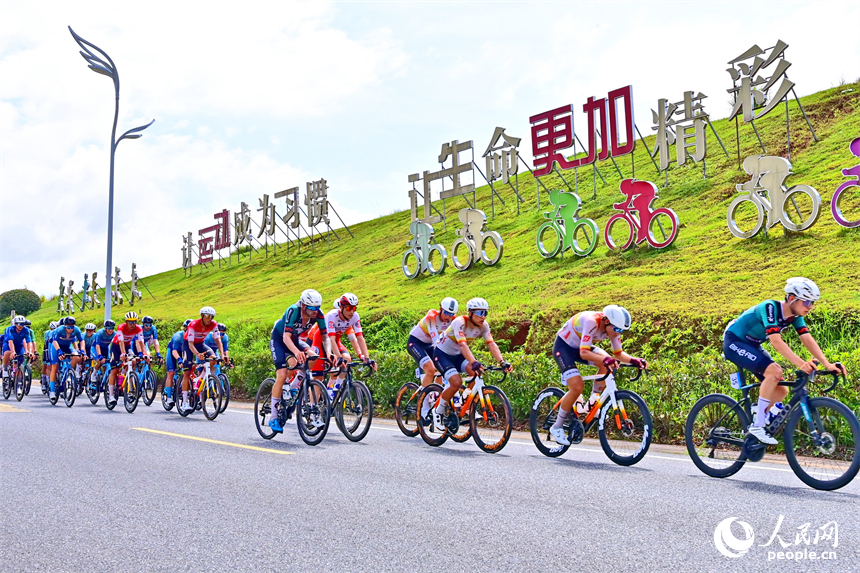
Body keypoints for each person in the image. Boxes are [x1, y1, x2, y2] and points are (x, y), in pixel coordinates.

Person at [723, 277, 847, 445]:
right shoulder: (770, 307)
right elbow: (776, 341)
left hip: (753, 344)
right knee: (774, 372)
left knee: (781, 391)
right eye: (807, 302)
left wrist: (827, 364)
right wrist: (801, 364)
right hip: (735, 342)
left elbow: (807, 338)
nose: (810, 307)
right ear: (791, 299)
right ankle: (758, 425)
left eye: (813, 303)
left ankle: (756, 415)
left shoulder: (795, 316)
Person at [548, 305, 648, 446]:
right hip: (564, 348)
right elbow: (584, 353)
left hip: (582, 347)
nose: (618, 333)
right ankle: (557, 426)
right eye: (617, 329)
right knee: (577, 387)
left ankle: (593, 401)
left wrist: (634, 360)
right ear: (606, 321)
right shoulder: (591, 321)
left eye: (622, 331)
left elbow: (618, 353)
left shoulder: (613, 329)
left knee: (607, 362)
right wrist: (606, 359)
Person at [430, 298, 513, 431]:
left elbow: (491, 344)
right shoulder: (459, 322)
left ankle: (465, 404)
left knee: (476, 372)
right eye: (480, 313)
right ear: (470, 313)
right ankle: (438, 411)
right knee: (456, 382)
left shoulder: (484, 326)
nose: (483, 316)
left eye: (485, 313)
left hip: (457, 355)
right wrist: (473, 361)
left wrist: (502, 362)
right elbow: (462, 344)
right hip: (442, 354)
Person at [268, 289, 334, 433]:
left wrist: (329, 353)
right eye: (312, 308)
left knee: (313, 356)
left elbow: (325, 337)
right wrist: (297, 353)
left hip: (295, 340)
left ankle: (294, 386)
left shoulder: (318, 314)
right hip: (279, 340)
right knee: (282, 374)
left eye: (318, 307)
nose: (315, 311)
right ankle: (273, 417)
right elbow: (286, 337)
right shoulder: (294, 310)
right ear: (304, 305)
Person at [311, 293, 377, 398]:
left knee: (347, 359)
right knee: (318, 377)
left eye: (354, 308)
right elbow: (331, 339)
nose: (352, 311)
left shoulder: (354, 316)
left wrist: (366, 358)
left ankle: (334, 390)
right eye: (349, 308)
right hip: (321, 341)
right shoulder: (332, 316)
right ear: (341, 307)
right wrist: (339, 357)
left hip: (336, 342)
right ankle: (312, 406)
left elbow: (359, 338)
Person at [179, 307, 224, 414]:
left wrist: (223, 355)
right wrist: (197, 355)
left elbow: (218, 340)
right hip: (188, 345)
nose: (210, 319)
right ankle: (185, 403)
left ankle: (200, 378)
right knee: (187, 373)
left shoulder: (214, 324)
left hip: (200, 344)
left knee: (214, 358)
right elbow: (190, 344)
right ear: (202, 316)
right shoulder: (193, 324)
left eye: (212, 317)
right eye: (208, 316)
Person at [407, 297, 459, 389]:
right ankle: (423, 399)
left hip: (429, 345)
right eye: (446, 312)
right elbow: (434, 335)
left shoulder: (454, 320)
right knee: (431, 369)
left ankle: (435, 394)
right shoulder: (432, 316)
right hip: (415, 342)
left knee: (442, 368)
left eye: (451, 314)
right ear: (440, 309)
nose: (448, 317)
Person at [48, 316, 85, 400]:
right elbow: (54, 341)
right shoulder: (59, 330)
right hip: (55, 346)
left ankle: (68, 371)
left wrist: (82, 351)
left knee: (76, 357)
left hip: (67, 346)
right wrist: (59, 351)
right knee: (55, 367)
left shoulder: (77, 330)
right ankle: (52, 391)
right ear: (65, 326)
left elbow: (81, 341)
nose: (70, 329)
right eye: (68, 327)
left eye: (72, 327)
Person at [163, 319, 191, 407]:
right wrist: (179, 359)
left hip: (184, 352)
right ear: (185, 328)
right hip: (173, 351)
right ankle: (169, 397)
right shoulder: (178, 336)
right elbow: (174, 352)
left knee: (187, 370)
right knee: (171, 372)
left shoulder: (192, 336)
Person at [2, 316, 33, 381]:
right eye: (18, 324)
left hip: (19, 345)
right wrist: (13, 351)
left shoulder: (26, 330)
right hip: (8, 344)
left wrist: (29, 351)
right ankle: (4, 369)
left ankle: (18, 381)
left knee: (21, 360)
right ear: (15, 324)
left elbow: (29, 342)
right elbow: (10, 341)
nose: (20, 326)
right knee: (7, 353)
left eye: (22, 324)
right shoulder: (9, 329)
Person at [41, 321, 59, 392]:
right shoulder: (47, 333)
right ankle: (45, 381)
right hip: (48, 348)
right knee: (47, 365)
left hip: (56, 348)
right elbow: (46, 343)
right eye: (52, 329)